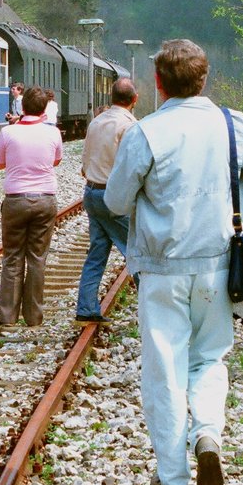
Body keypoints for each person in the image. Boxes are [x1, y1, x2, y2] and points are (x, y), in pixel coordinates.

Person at [104, 39, 243, 485]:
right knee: (209, 360)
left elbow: (116, 201)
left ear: (157, 83)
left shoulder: (148, 132)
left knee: (165, 371)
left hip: (162, 270)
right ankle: (207, 435)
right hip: (219, 267)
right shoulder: (230, 124)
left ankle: (174, 483)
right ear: (204, 79)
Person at [0, 86, 63, 326]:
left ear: (22, 108)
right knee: (37, 258)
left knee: (12, 257)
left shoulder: (8, 132)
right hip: (44, 198)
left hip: (15, 199)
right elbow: (57, 160)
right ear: (45, 110)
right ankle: (33, 317)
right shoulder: (53, 134)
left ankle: (8, 317)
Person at [75, 77, 138, 323]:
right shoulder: (130, 127)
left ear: (111, 98)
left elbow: (84, 164)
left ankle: (86, 307)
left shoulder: (96, 122)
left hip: (91, 193)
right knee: (137, 252)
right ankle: (153, 309)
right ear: (134, 100)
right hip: (113, 197)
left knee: (97, 252)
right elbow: (132, 168)